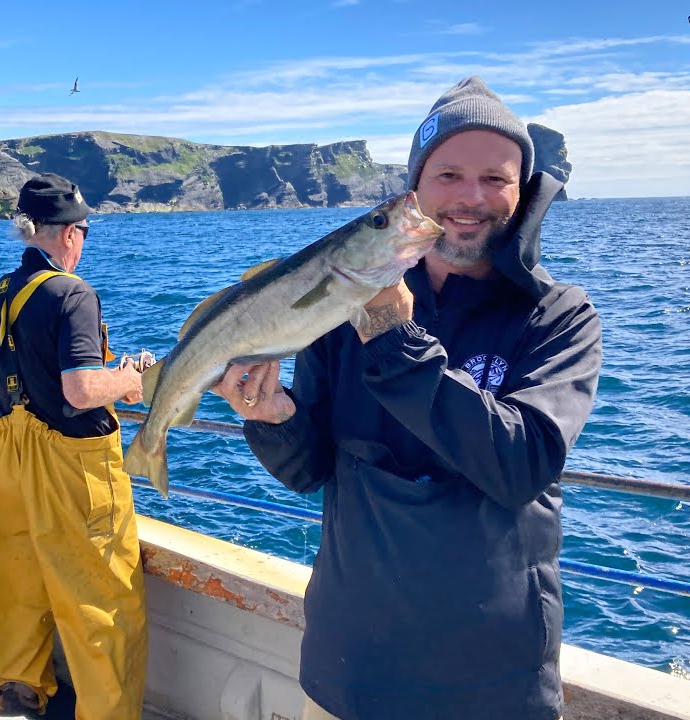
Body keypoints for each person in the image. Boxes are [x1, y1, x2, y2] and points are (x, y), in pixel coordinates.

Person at [214, 77, 602, 720]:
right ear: (414, 188)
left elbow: (522, 465)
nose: (471, 198)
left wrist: (396, 338)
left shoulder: (558, 316)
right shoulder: (346, 301)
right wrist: (272, 416)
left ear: (523, 190)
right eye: (449, 174)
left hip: (491, 683)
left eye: (496, 179)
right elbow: (311, 468)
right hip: (349, 670)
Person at [0, 173, 147, 719]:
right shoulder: (73, 294)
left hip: (8, 462)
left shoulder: (0, 293)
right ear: (70, 233)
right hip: (72, 469)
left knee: (18, 595)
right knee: (103, 612)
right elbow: (78, 389)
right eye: (85, 231)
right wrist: (126, 376)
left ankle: (18, 704)